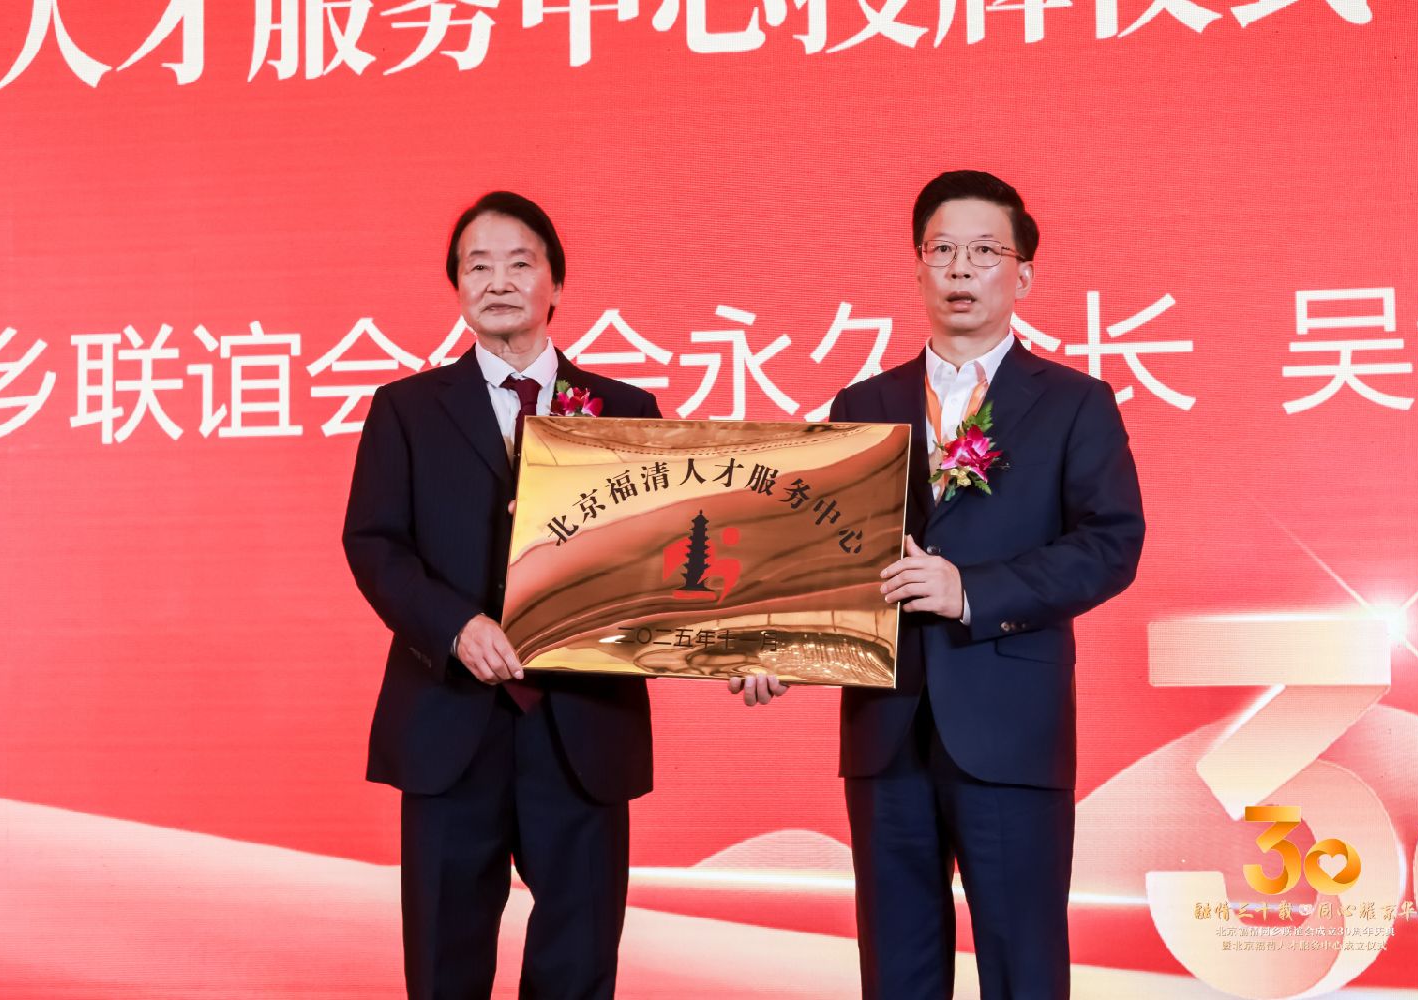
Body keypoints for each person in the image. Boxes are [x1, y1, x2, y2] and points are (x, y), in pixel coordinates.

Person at [733, 170, 1145, 999]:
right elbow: (823, 550)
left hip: (1011, 727)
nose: (961, 269)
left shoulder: (1074, 403)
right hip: (886, 730)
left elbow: (1111, 545)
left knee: (1023, 969)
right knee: (897, 971)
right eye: (942, 250)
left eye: (985, 252)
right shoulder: (864, 403)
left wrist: (971, 592)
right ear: (917, 267)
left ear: (1023, 275)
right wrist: (777, 643)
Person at [344, 191, 662, 1000]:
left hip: (581, 726)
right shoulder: (406, 411)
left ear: (556, 282)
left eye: (519, 263)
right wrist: (454, 627)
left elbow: (659, 558)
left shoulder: (628, 411)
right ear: (456, 287)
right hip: (451, 721)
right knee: (444, 964)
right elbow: (375, 545)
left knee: (579, 963)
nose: (497, 281)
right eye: (476, 266)